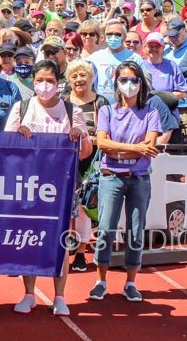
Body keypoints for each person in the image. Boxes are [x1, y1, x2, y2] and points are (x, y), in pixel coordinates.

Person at [5, 60, 91, 317]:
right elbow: (7, 147)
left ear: (58, 83)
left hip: (61, 187)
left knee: (60, 243)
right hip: (30, 186)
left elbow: (85, 153)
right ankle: (29, 294)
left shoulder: (70, 110)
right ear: (33, 81)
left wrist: (80, 136)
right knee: (29, 240)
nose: (45, 85)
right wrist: (18, 134)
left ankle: (59, 297)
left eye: (50, 81)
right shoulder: (22, 107)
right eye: (40, 80)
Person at [90, 60, 162, 303]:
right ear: (116, 83)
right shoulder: (106, 111)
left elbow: (150, 147)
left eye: (133, 79)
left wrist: (118, 150)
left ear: (140, 83)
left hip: (139, 179)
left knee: (135, 231)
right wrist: (134, 149)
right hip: (111, 177)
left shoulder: (151, 111)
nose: (128, 85)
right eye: (123, 80)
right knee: (106, 230)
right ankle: (101, 279)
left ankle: (131, 282)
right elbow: (102, 144)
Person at [63, 59, 108, 272]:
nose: (79, 80)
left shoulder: (101, 103)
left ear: (91, 78)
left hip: (92, 162)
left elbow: (107, 134)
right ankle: (67, 246)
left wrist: (89, 140)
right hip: (68, 160)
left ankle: (81, 253)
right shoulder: (63, 102)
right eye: (74, 76)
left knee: (83, 208)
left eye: (83, 75)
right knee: (66, 207)